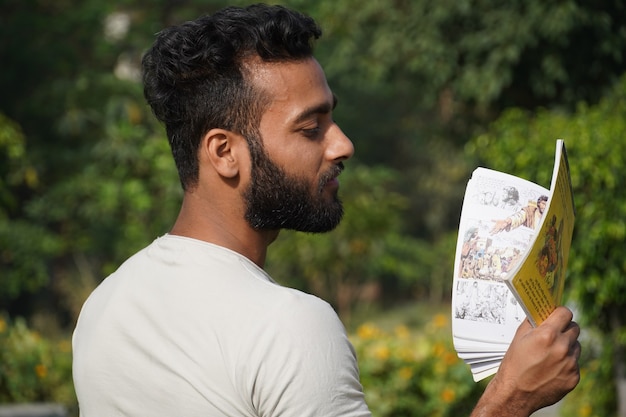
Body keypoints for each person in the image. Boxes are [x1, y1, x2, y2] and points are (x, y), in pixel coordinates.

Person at [72, 4, 581, 417]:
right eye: (310, 127)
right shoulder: (288, 325)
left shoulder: (104, 308)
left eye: (331, 119)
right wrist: (510, 400)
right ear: (224, 152)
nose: (342, 145)